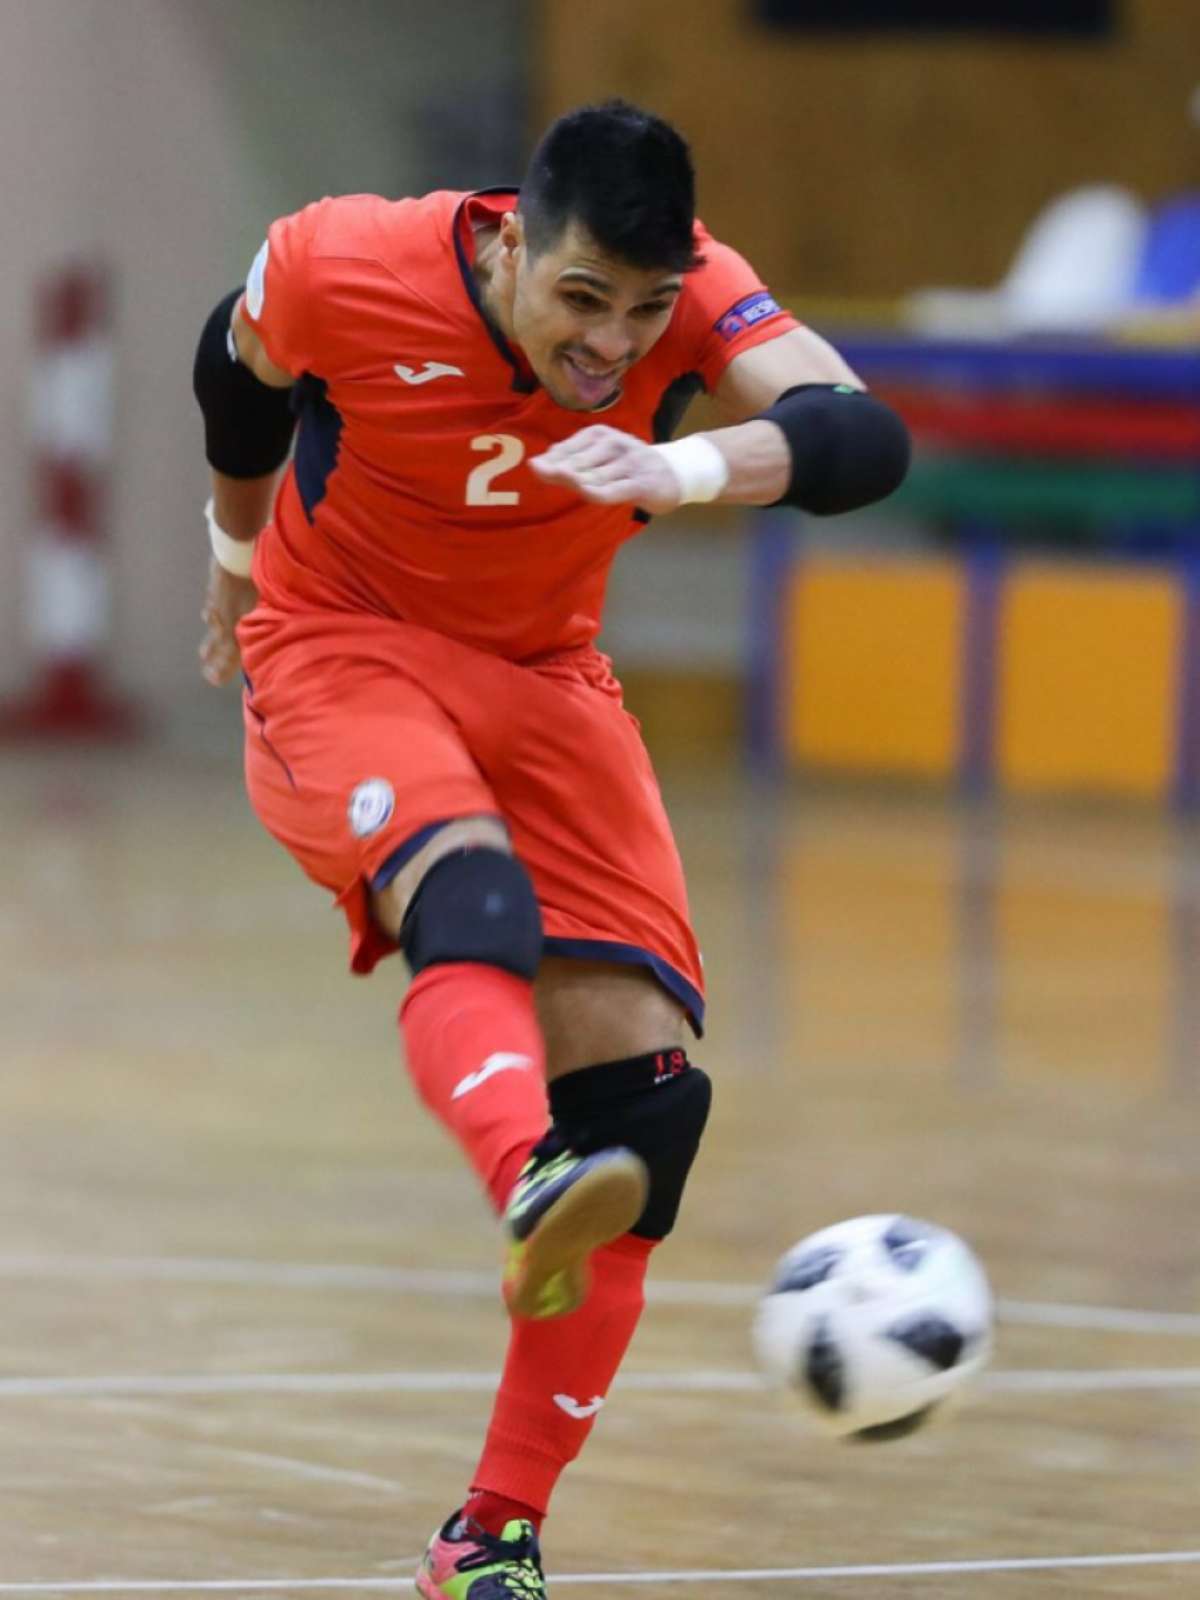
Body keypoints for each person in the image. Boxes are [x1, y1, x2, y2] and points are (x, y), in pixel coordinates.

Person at [192, 99, 909, 1598]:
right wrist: (236, 559)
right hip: (342, 647)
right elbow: (236, 368)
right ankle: (527, 1169)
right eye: (580, 299)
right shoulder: (347, 260)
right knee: (475, 900)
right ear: (513, 238)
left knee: (647, 1118)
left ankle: (490, 1538)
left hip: (546, 679)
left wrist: (690, 469)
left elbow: (858, 433)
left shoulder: (690, 300)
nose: (608, 346)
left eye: (642, 313)